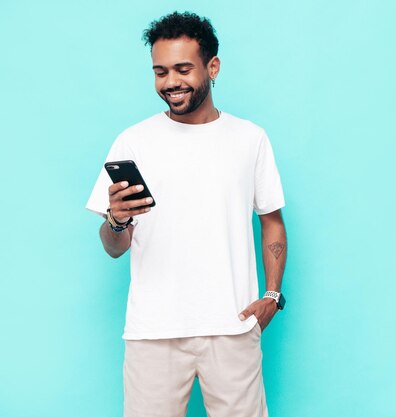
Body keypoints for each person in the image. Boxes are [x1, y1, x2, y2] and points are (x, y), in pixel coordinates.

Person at [85, 11, 287, 417]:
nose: (170, 82)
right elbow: (113, 248)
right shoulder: (133, 141)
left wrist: (272, 295)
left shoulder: (250, 139)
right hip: (153, 331)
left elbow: (272, 221)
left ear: (212, 67)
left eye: (182, 68)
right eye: (160, 72)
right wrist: (116, 219)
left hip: (232, 327)